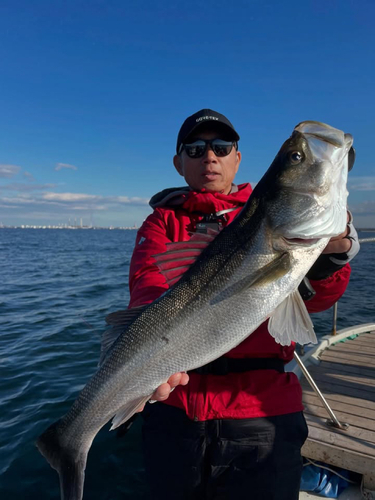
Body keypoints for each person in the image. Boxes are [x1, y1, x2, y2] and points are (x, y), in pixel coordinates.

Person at [128, 109, 359, 500]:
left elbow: (319, 301)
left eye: (221, 146)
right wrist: (151, 356)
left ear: (238, 157)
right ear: (178, 162)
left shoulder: (267, 213)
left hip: (262, 410)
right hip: (176, 410)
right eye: (195, 148)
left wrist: (330, 258)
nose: (210, 157)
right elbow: (149, 288)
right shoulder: (161, 223)